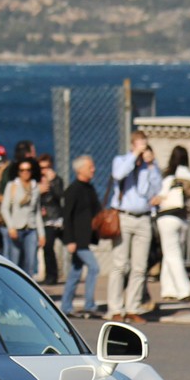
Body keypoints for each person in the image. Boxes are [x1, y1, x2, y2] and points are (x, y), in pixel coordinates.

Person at [107, 131, 161, 323]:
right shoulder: (121, 160)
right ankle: (115, 308)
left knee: (140, 267)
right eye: (140, 144)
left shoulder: (148, 167)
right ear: (132, 145)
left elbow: (156, 189)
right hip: (124, 216)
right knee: (120, 265)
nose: (143, 148)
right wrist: (134, 156)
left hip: (143, 218)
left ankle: (133, 307)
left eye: (145, 145)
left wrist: (152, 165)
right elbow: (118, 174)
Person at [60, 155, 103, 316]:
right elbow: (67, 216)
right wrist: (69, 240)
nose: (94, 170)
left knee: (75, 273)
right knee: (94, 267)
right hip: (77, 240)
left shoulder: (89, 188)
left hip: (86, 237)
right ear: (80, 170)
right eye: (90, 167)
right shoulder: (73, 190)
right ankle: (89, 305)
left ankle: (66, 306)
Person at [155, 146, 190, 303]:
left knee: (171, 254)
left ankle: (183, 290)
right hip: (182, 217)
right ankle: (168, 289)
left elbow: (160, 196)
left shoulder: (167, 176)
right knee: (172, 252)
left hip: (166, 217)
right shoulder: (189, 175)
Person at [1, 158, 42, 277]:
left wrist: (41, 233)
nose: (25, 172)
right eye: (22, 170)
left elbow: (37, 212)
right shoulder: (12, 186)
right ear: (18, 172)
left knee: (30, 263)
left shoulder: (35, 187)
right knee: (14, 262)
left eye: (28, 170)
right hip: (16, 228)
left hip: (31, 229)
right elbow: (4, 208)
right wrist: (11, 227)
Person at [37, 154, 66, 284]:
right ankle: (51, 276)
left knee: (71, 244)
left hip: (57, 218)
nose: (44, 170)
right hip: (44, 220)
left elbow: (60, 195)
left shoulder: (57, 180)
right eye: (41, 168)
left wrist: (52, 182)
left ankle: (64, 272)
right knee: (47, 247)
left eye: (47, 167)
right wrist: (39, 191)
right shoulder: (36, 181)